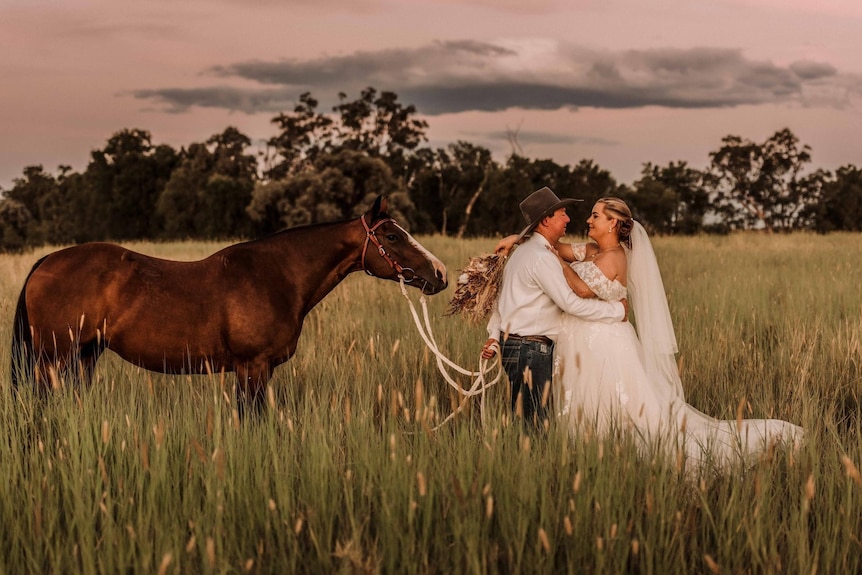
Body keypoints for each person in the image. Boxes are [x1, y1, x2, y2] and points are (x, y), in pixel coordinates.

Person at [496, 197, 804, 467]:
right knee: (578, 402)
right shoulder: (589, 250)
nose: (588, 220)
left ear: (613, 223)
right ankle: (585, 454)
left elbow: (579, 289)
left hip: (604, 340)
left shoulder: (614, 257)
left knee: (613, 402)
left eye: (596, 216)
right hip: (578, 340)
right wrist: (520, 239)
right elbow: (557, 247)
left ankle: (617, 451)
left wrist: (550, 260)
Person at [482, 187, 627, 430]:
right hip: (530, 349)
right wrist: (618, 312)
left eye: (595, 215)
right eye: (562, 213)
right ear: (547, 220)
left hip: (519, 346)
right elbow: (571, 302)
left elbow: (501, 299)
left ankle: (526, 461)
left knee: (527, 420)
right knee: (535, 424)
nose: (570, 218)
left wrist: (494, 335)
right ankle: (532, 464)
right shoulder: (542, 257)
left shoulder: (524, 253)